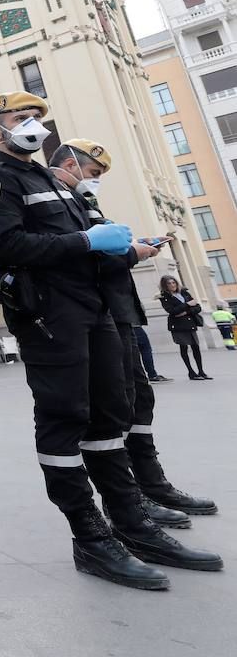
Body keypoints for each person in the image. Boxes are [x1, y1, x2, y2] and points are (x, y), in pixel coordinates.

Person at [0, 92, 202, 590]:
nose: (32, 124)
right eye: (19, 117)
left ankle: (131, 525)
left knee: (109, 414)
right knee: (65, 418)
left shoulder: (52, 181)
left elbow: (86, 249)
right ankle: (90, 538)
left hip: (92, 309)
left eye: (37, 117)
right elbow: (2, 246)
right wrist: (87, 241)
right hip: (49, 315)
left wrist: (117, 247)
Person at [48, 139, 220, 534]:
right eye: (92, 174)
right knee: (115, 408)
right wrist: (133, 253)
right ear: (71, 164)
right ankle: (128, 498)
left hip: (120, 312)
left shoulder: (84, 203)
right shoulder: (61, 202)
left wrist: (131, 247)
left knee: (139, 401)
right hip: (97, 311)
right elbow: (85, 255)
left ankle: (150, 485)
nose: (95, 183)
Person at [159, 277, 210, 380]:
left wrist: (186, 312)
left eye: (174, 282)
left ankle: (201, 371)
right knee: (184, 348)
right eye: (169, 283)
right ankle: (191, 372)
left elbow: (198, 307)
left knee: (196, 347)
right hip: (178, 326)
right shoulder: (164, 297)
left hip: (190, 324)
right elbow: (172, 311)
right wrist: (187, 304)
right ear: (165, 286)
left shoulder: (184, 293)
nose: (173, 285)